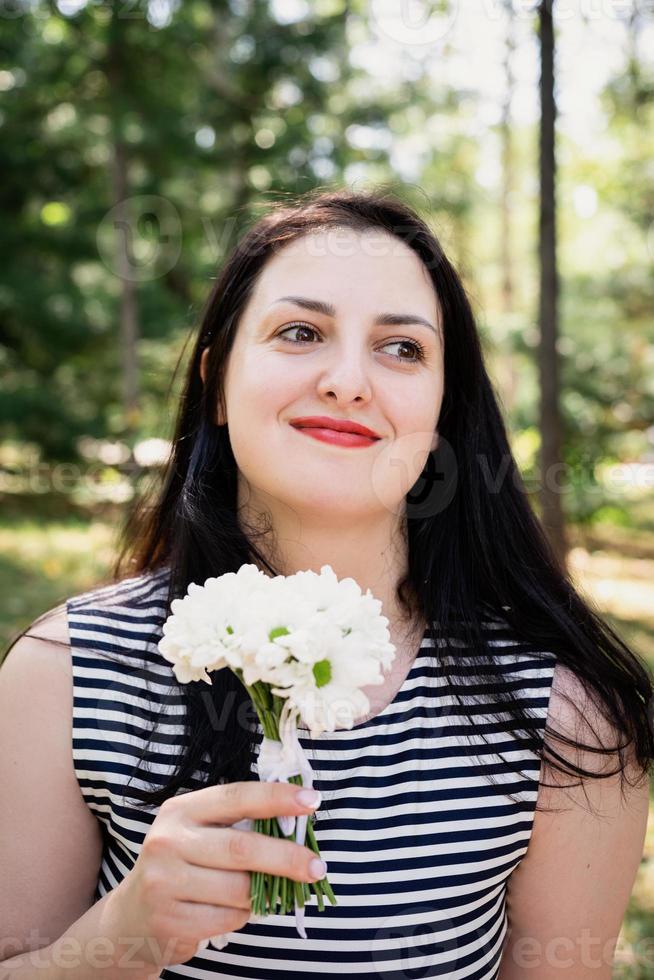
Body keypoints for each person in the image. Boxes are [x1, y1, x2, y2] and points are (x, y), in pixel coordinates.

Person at [1, 187, 652, 980]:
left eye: (403, 348)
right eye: (300, 332)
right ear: (215, 383)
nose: (348, 381)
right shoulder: (64, 672)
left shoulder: (569, 718)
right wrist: (118, 941)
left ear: (443, 409)